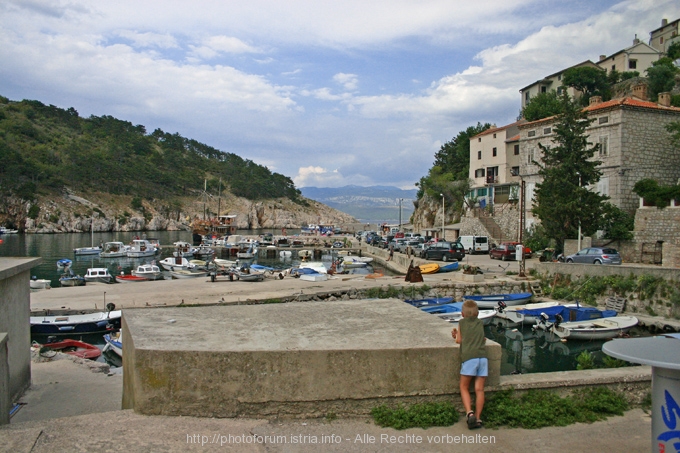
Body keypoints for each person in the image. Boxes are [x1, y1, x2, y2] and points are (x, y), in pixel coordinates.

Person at [451, 300, 487, 430]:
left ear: (462, 314)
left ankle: (469, 412)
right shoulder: (480, 323)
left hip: (469, 359)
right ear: (477, 314)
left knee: (464, 387)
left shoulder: (461, 322)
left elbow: (459, 340)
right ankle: (477, 418)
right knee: (479, 390)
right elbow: (481, 338)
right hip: (483, 359)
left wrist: (455, 336)